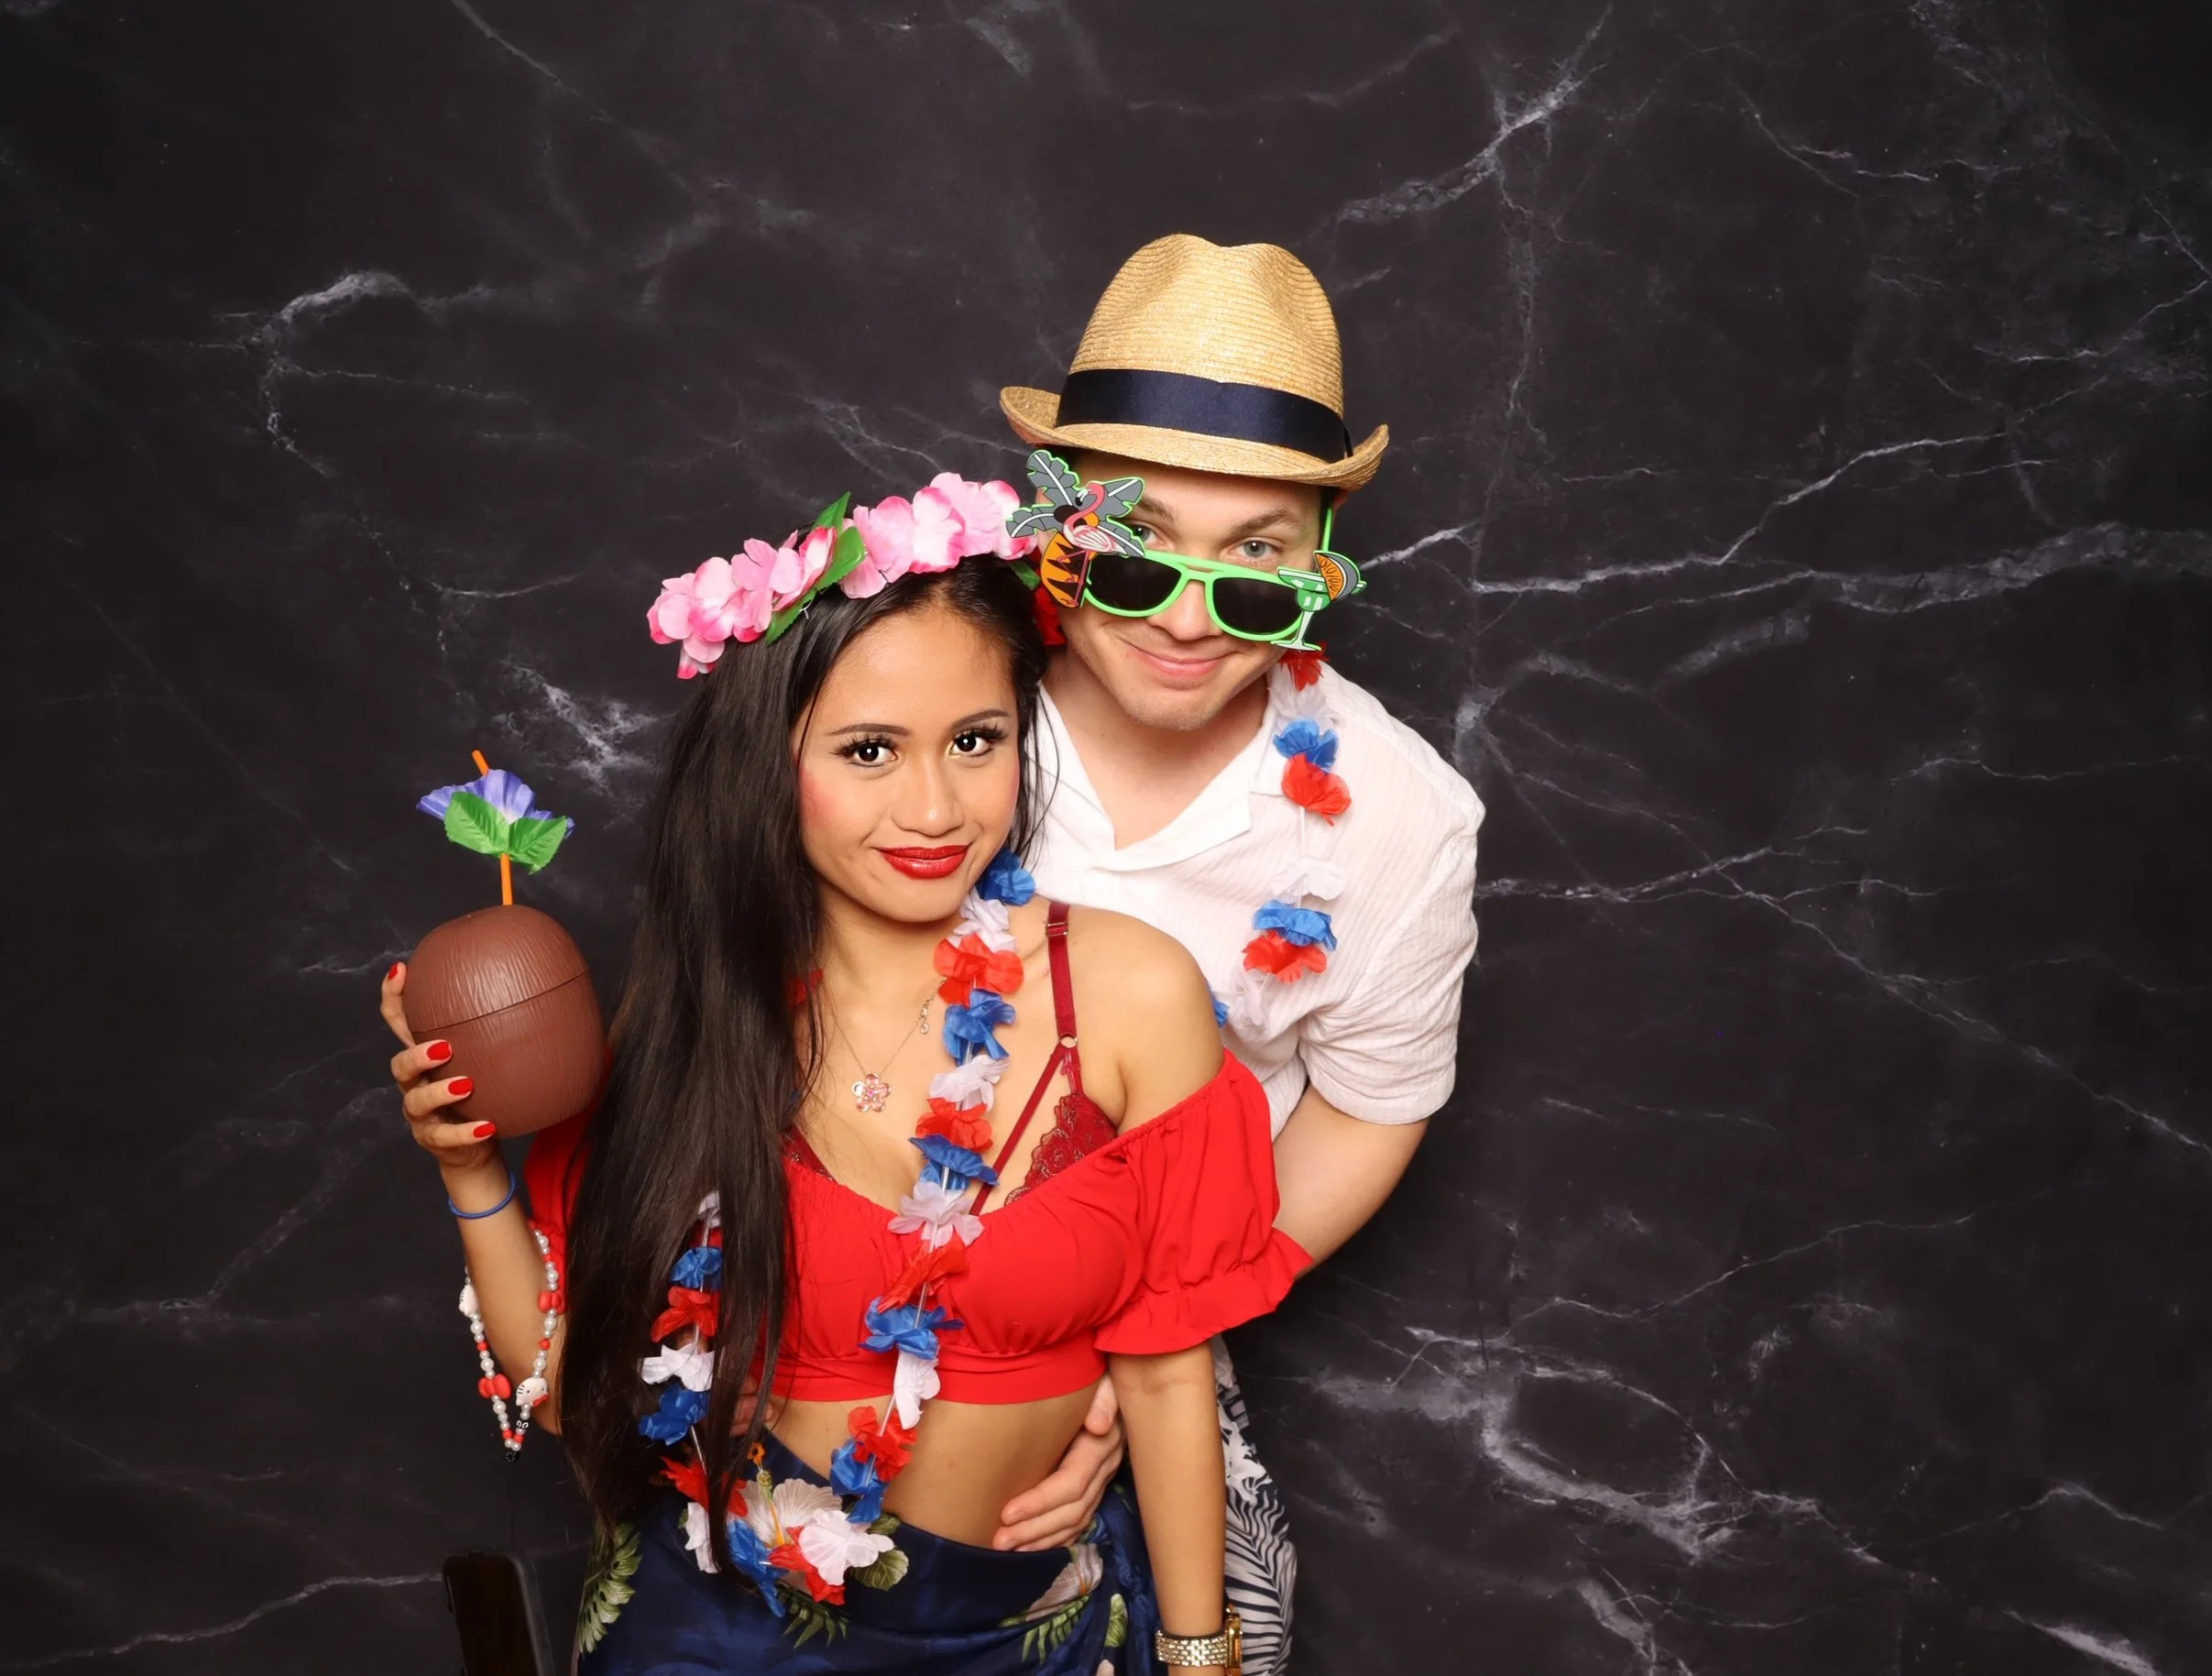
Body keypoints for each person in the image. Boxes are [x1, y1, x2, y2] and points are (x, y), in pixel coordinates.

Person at [383, 477, 1309, 1671]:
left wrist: (1203, 1660)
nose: (934, 805)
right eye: (869, 750)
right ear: (771, 761)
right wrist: (471, 1173)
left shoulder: (1127, 993)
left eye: (975, 741)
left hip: (1032, 1623)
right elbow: (564, 1387)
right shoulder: (707, 1032)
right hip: (737, 1625)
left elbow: (1170, 1377)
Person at [982, 236, 1485, 1675]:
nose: (1194, 620)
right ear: (1056, 515)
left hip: (1148, 1341)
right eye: (1141, 545)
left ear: (1323, 557)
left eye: (1257, 558)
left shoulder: (1397, 814)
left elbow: (1373, 1104)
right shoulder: (928, 700)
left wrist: (1149, 1339)